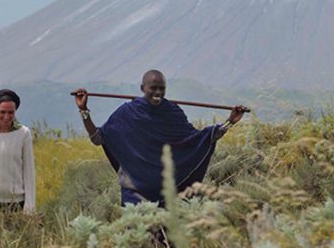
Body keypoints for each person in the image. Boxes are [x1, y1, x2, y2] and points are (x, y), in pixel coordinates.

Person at [72, 69, 248, 206]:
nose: (158, 92)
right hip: (134, 193)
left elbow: (196, 140)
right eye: (153, 88)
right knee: (138, 243)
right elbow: (97, 138)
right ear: (142, 88)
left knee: (166, 245)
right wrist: (83, 110)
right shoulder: (127, 113)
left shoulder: (172, 112)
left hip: (168, 195)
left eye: (162, 88)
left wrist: (229, 122)